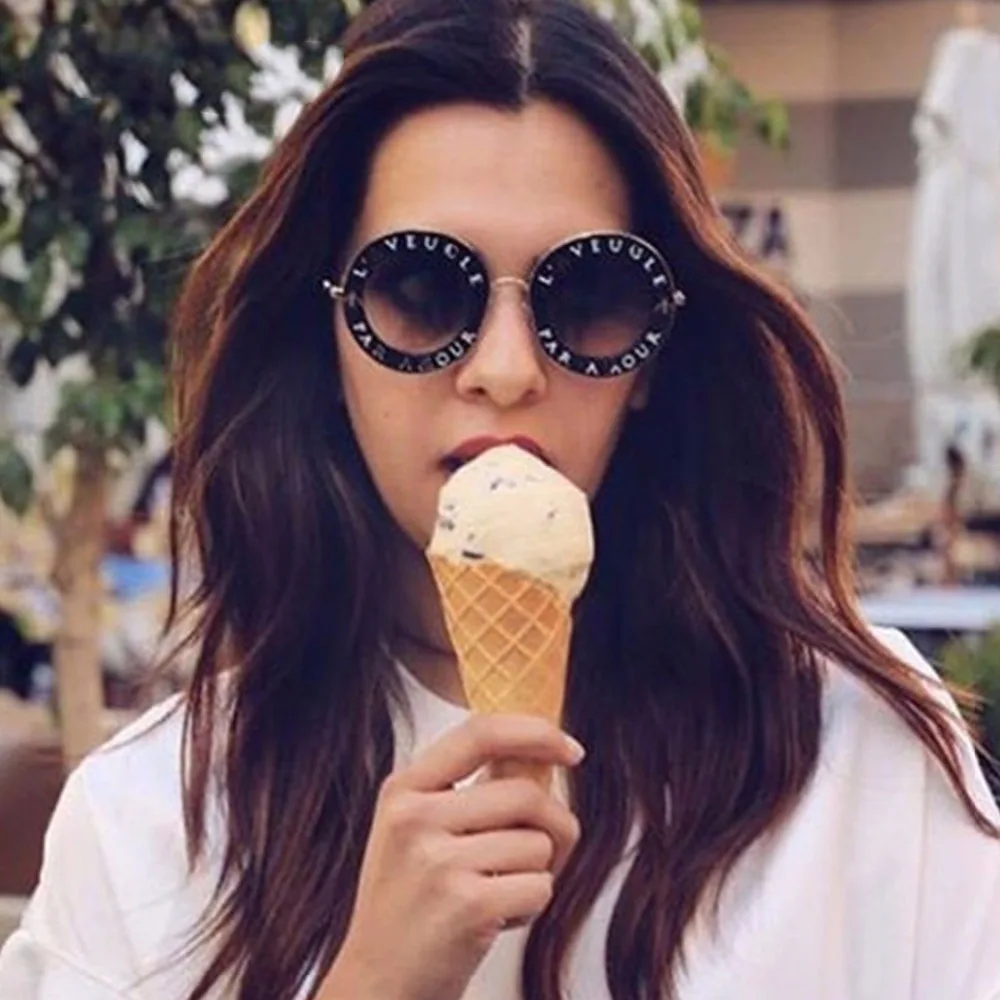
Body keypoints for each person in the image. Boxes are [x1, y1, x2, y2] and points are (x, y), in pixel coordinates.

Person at [2, 1, 999, 998]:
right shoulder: (146, 824)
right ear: (326, 337)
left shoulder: (858, 755)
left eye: (590, 295)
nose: (507, 369)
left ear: (654, 359)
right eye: (421, 290)